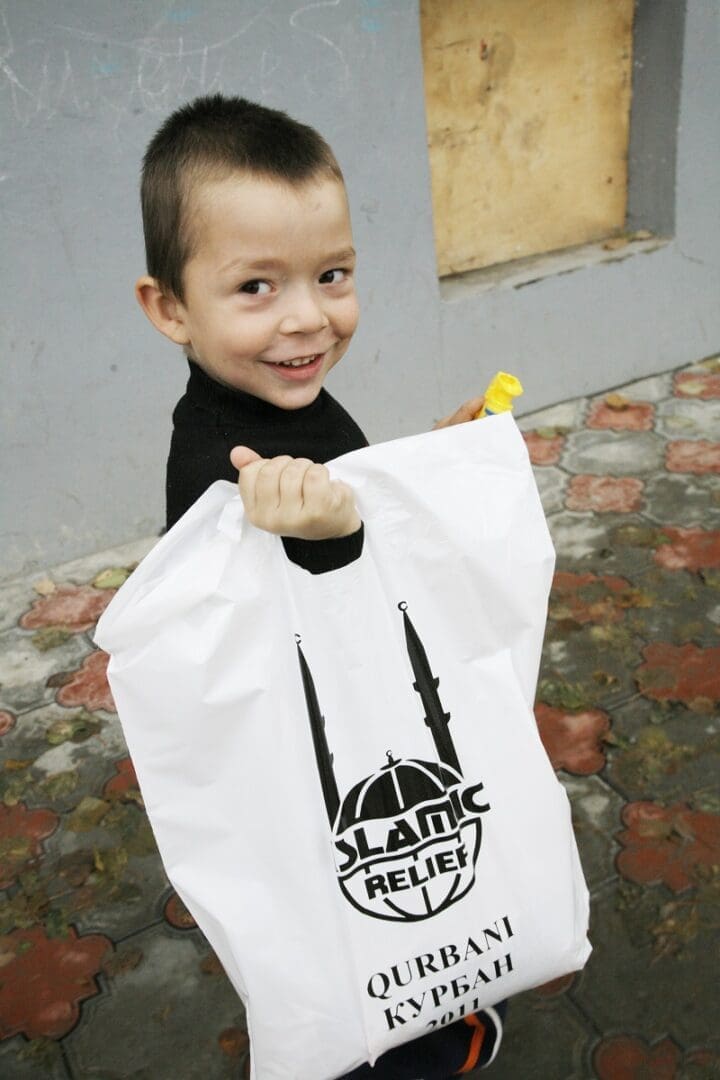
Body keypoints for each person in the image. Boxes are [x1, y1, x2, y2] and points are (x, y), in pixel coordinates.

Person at [134, 93, 504, 1078]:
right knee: (361, 911)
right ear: (168, 306)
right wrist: (334, 533)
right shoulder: (229, 458)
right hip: (316, 764)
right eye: (256, 286)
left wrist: (427, 466)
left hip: (344, 736)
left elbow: (350, 501)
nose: (308, 317)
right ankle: (408, 1050)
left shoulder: (274, 391)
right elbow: (288, 618)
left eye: (332, 274)